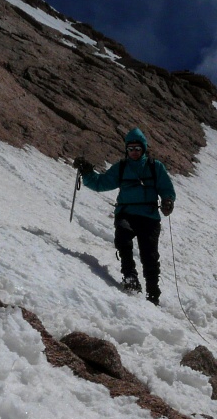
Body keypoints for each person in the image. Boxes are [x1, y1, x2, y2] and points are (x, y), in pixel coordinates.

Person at [74, 128, 175, 305]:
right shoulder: (121, 168)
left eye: (137, 149)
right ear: (126, 150)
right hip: (126, 213)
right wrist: (87, 172)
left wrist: (168, 200)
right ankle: (130, 277)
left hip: (149, 217)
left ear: (143, 149)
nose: (134, 152)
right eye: (131, 149)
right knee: (123, 239)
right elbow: (101, 183)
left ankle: (153, 294)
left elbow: (167, 188)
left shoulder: (154, 166)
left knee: (149, 255)